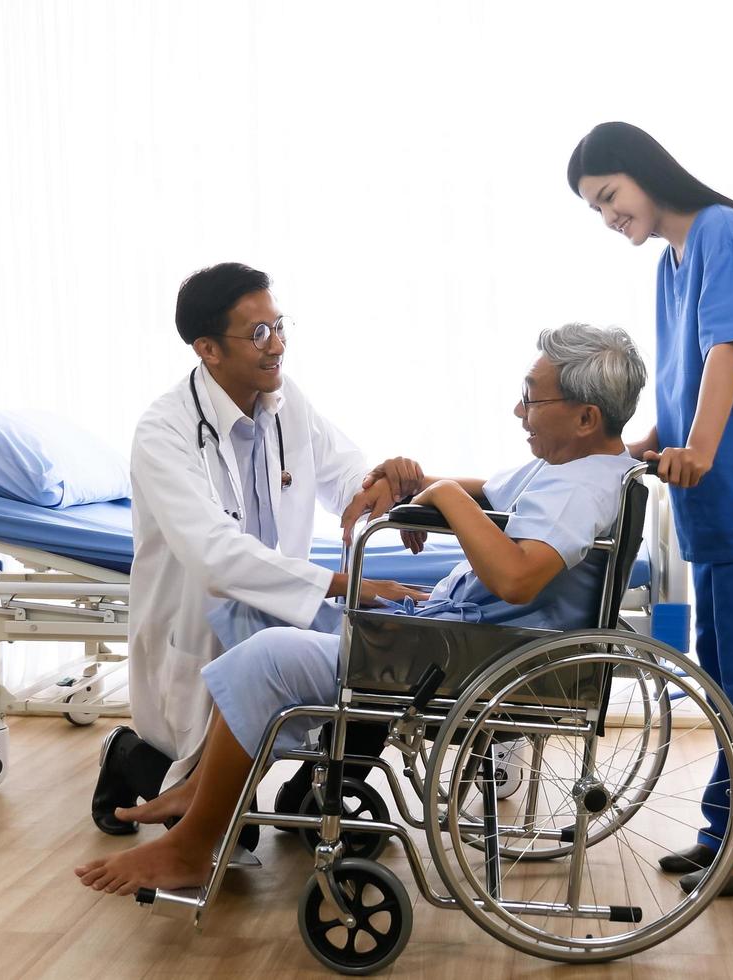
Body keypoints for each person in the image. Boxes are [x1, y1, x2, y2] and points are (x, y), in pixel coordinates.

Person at [75, 323, 647, 894]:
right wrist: (416, 481)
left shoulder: (581, 488)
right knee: (253, 613)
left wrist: (441, 497)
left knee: (267, 656)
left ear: (585, 417)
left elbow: (518, 579)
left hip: (470, 659)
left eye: (531, 396)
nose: (518, 410)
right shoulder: (569, 464)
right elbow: (494, 494)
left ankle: (194, 843)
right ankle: (203, 785)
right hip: (458, 637)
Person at [567, 122, 733, 896]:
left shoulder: (725, 232)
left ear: (646, 174)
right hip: (719, 510)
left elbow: (729, 348)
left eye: (610, 196)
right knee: (730, 686)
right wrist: (651, 440)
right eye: (596, 209)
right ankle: (726, 836)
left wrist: (704, 450)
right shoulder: (669, 263)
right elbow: (686, 375)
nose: (609, 216)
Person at [94, 262, 425, 839]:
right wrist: (343, 583)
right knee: (230, 827)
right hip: (203, 621)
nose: (278, 346)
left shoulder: (283, 401)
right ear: (207, 349)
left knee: (382, 657)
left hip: (275, 612)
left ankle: (311, 794)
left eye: (279, 326)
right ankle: (126, 756)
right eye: (259, 334)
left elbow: (341, 468)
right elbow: (214, 554)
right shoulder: (164, 432)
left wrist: (380, 483)